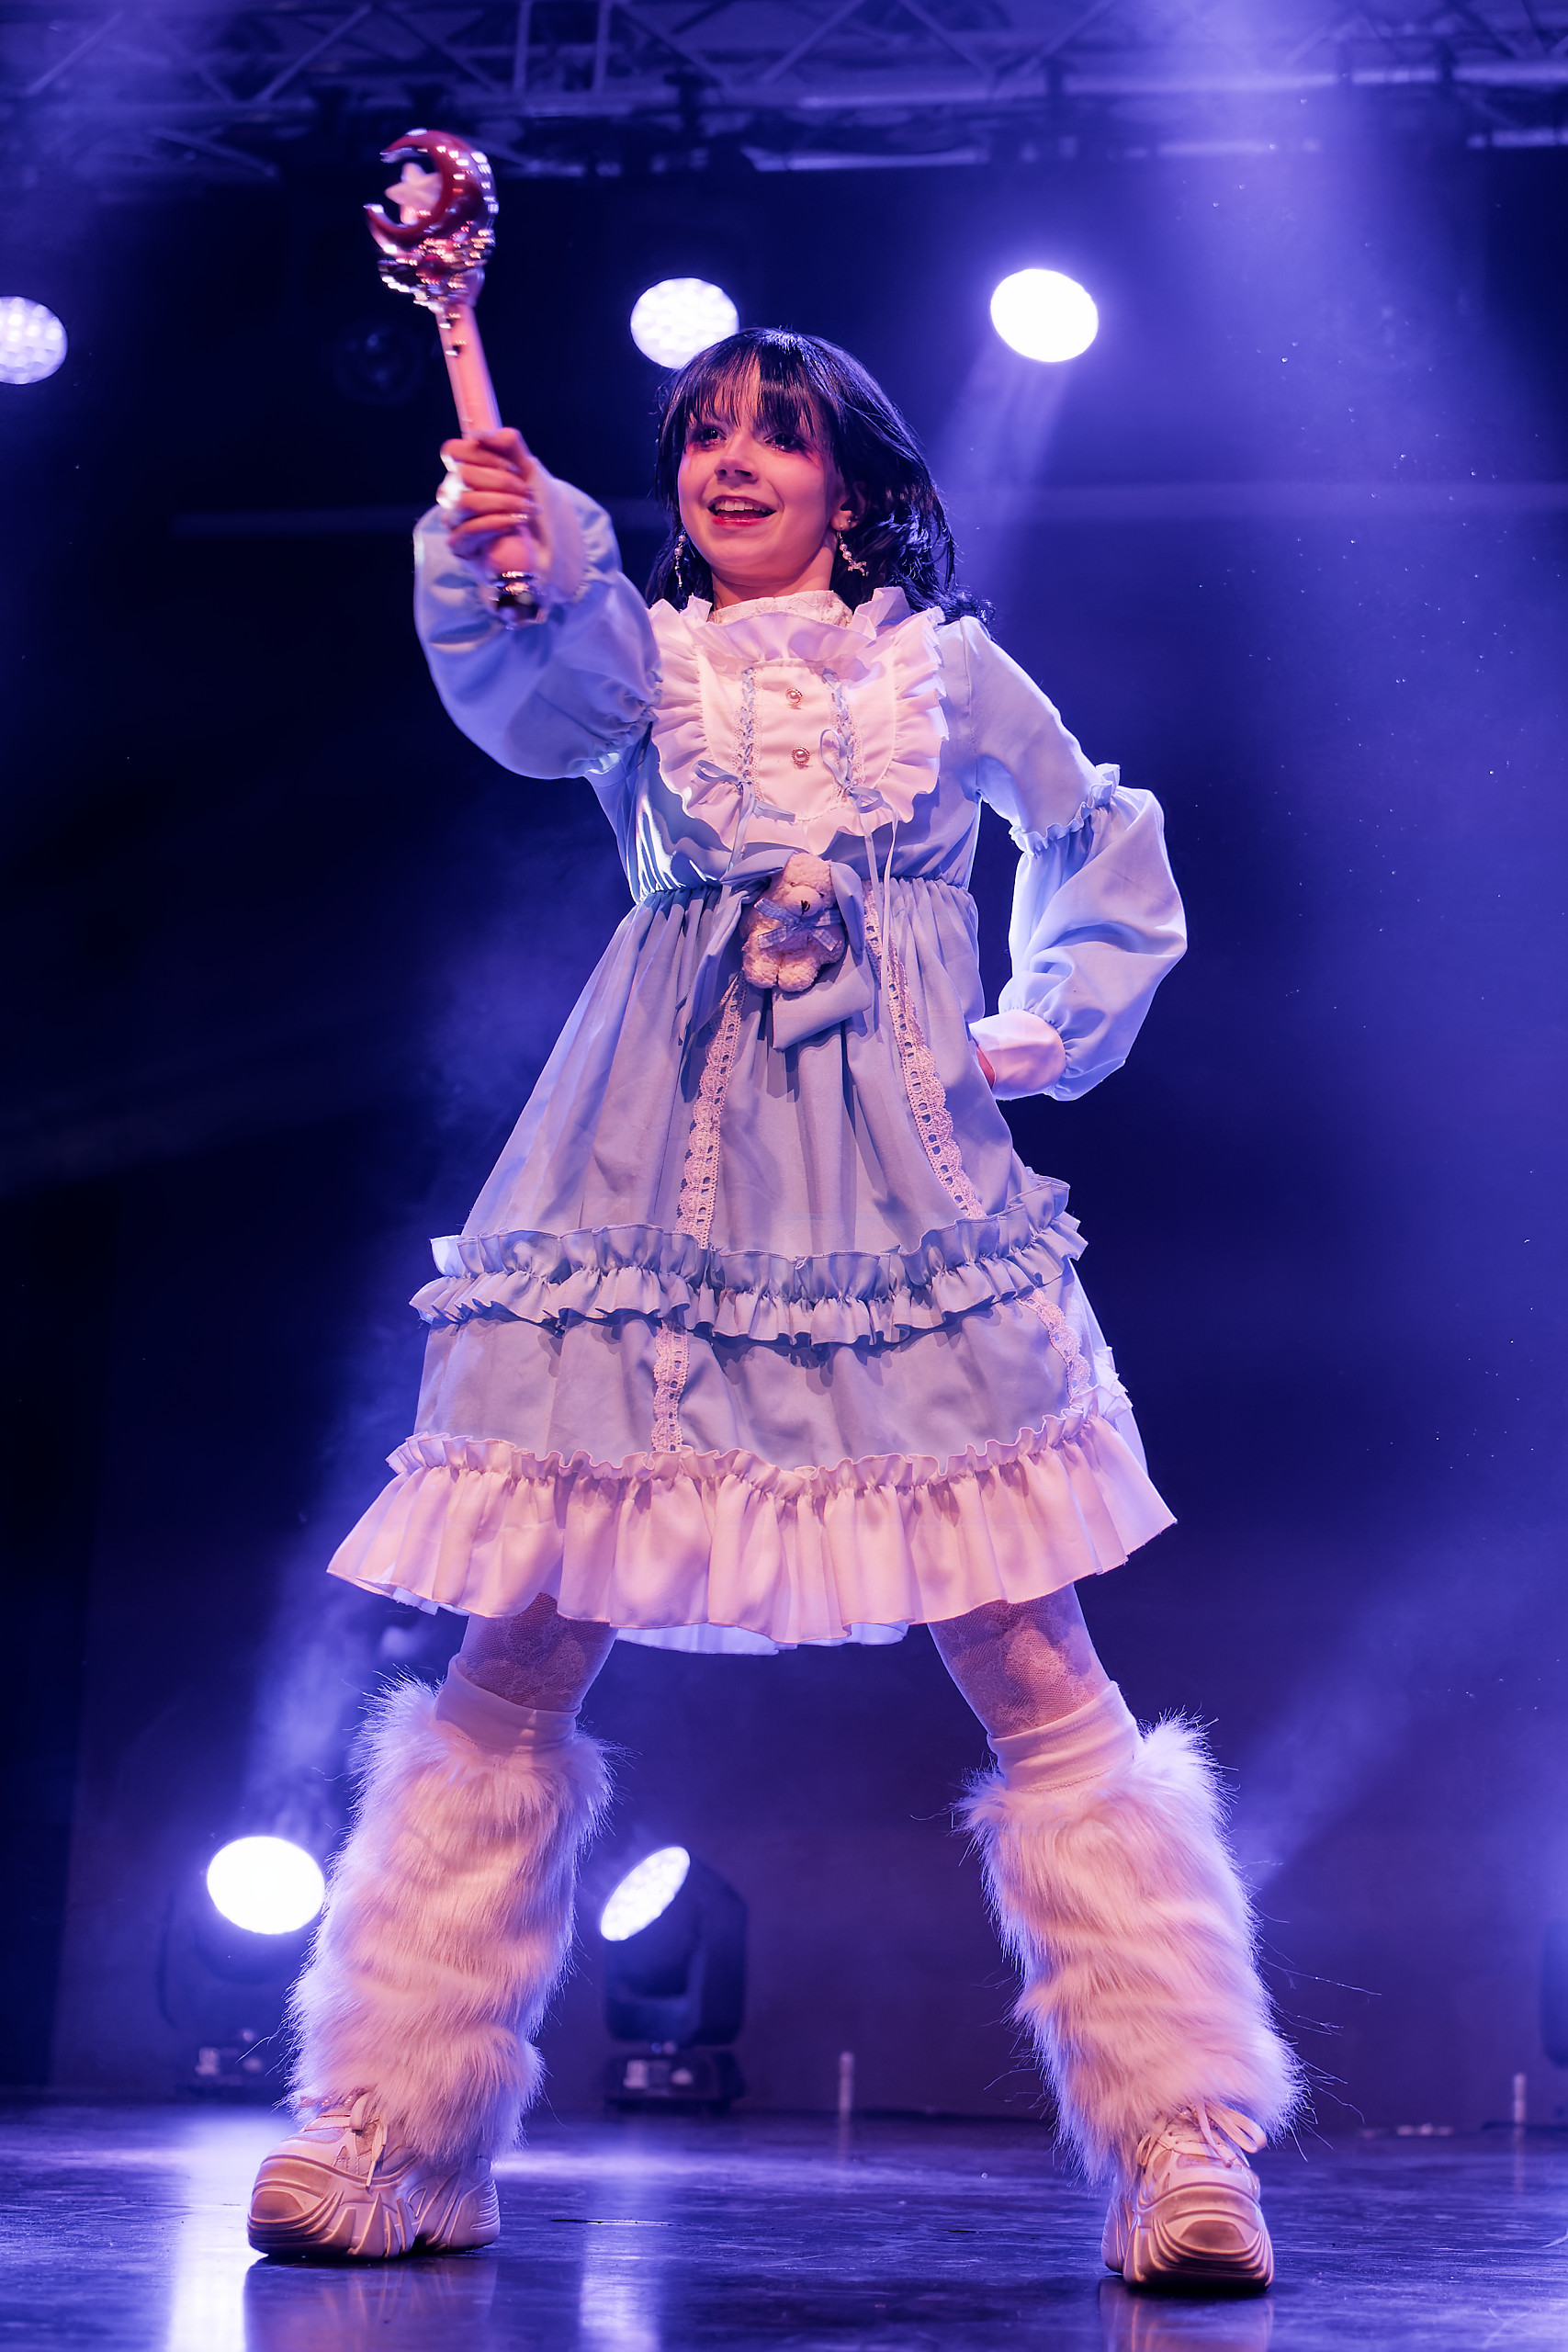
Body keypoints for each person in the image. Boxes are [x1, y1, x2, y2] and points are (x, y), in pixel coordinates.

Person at [246, 330, 1300, 2281]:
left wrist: (1042, 1024)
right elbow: (536, 685)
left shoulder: (945, 672)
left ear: (850, 479)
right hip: (645, 1191)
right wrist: (510, 540)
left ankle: (1184, 2143)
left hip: (902, 1204)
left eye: (777, 436)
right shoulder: (644, 665)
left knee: (1028, 1643)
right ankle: (388, 2127)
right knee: (524, 1628)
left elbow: (1094, 839)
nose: (732, 462)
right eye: (704, 436)